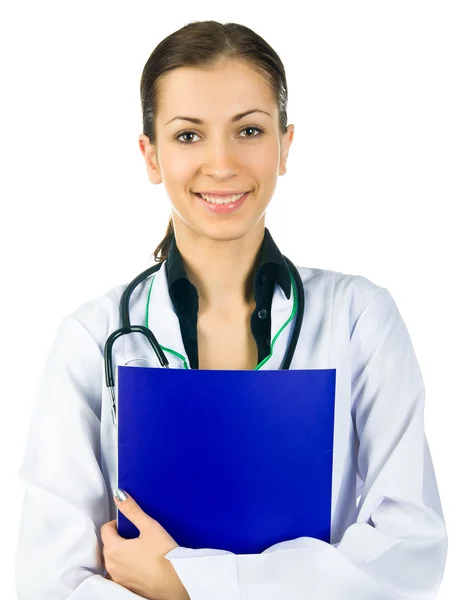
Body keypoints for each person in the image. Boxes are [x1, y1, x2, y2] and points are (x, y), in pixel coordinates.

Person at [15, 19, 448, 600]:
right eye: (188, 136)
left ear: (285, 146)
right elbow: (52, 582)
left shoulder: (360, 319)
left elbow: (410, 549)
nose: (221, 163)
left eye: (248, 130)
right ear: (150, 155)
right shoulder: (93, 339)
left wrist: (185, 583)